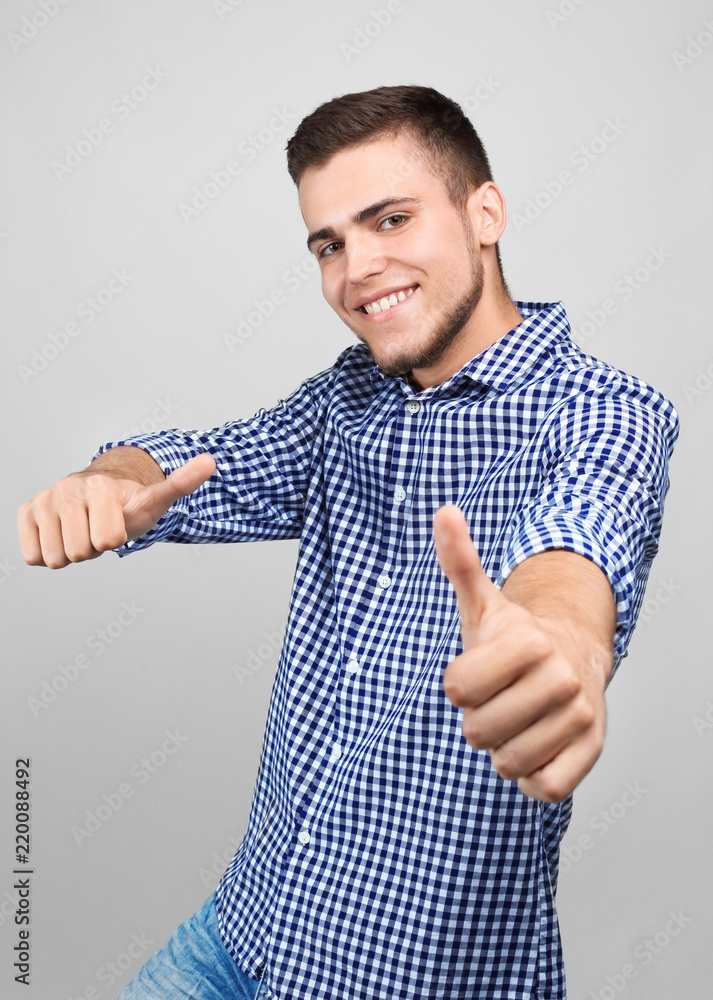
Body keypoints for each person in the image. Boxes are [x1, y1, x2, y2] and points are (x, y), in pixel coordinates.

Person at [18, 86, 678, 999]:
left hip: (418, 982)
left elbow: (578, 547)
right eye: (328, 244)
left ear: (483, 211)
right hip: (239, 940)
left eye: (391, 219)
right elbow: (197, 462)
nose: (355, 268)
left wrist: (555, 637)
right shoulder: (342, 402)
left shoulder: (604, 414)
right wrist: (113, 478)